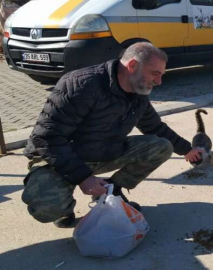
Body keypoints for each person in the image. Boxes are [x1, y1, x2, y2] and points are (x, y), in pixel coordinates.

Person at [22, 42, 203, 228]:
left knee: (162, 146)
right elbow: (46, 137)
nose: (159, 82)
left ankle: (112, 189)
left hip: (102, 152)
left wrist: (187, 150)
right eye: (155, 74)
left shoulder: (138, 93)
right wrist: (84, 178)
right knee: (48, 209)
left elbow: (155, 127)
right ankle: (65, 208)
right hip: (60, 158)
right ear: (132, 66)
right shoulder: (82, 84)